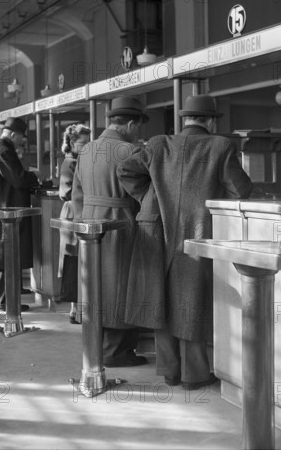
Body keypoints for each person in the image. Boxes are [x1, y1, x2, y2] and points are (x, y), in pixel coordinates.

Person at [117, 94, 253, 390]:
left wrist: (149, 198)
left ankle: (169, 370)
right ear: (209, 121)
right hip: (198, 228)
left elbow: (125, 170)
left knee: (160, 298)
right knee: (191, 299)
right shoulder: (220, 146)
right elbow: (241, 190)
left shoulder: (157, 144)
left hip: (155, 229)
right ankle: (194, 374)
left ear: (185, 119)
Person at [71, 96, 149, 368]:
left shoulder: (86, 150)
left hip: (89, 225)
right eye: (137, 126)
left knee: (96, 284)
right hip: (121, 222)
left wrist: (80, 225)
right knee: (121, 285)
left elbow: (76, 195)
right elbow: (144, 195)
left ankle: (96, 342)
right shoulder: (130, 151)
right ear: (129, 124)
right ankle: (117, 352)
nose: (138, 133)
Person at [0, 117, 39, 312]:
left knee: (0, 261)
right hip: (8, 213)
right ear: (12, 135)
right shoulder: (5, 151)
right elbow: (19, 180)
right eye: (21, 137)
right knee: (7, 258)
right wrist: (34, 176)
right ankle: (5, 302)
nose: (22, 141)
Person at [58, 123, 91, 324]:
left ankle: (75, 310)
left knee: (75, 262)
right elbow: (69, 192)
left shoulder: (75, 161)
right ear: (72, 143)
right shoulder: (71, 163)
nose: (87, 146)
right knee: (74, 262)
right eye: (83, 142)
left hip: (73, 213)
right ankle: (76, 310)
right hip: (73, 212)